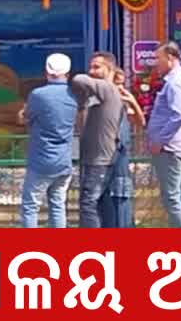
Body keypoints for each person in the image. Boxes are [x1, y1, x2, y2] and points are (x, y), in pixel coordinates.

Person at [18, 53, 77, 228]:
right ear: (68, 73)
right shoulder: (74, 96)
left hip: (41, 160)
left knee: (30, 206)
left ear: (46, 71)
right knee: (58, 205)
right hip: (64, 161)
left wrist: (22, 111)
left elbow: (24, 118)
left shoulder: (38, 95)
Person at [71, 52, 126, 228]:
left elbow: (79, 79)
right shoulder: (98, 94)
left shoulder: (106, 88)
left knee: (88, 202)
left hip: (100, 158)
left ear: (109, 70)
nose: (91, 71)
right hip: (95, 156)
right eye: (91, 66)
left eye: (97, 67)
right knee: (101, 202)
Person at [147, 41, 181, 228]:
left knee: (171, 197)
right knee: (177, 195)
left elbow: (178, 116)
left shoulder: (175, 83)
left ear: (170, 58)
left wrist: (160, 140)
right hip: (175, 145)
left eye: (158, 58)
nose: (156, 63)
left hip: (170, 147)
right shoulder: (178, 81)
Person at [101, 68, 142, 227]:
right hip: (105, 153)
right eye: (116, 84)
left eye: (122, 84)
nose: (120, 88)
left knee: (121, 191)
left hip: (121, 154)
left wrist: (132, 101)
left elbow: (140, 122)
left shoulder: (125, 104)